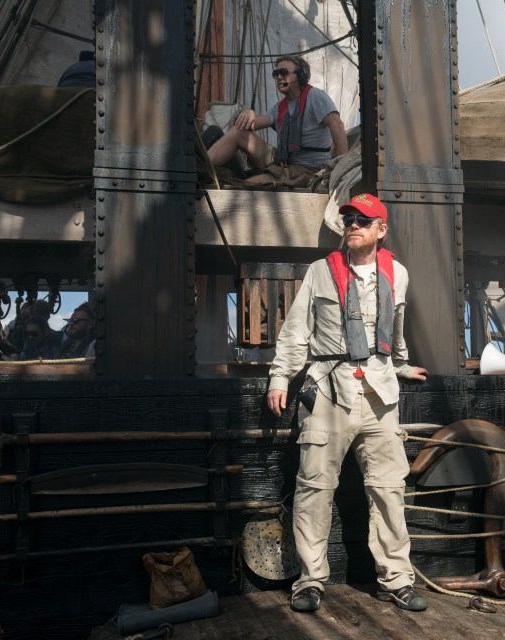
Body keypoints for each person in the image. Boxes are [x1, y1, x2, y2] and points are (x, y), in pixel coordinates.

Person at [266, 193, 429, 613]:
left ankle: (396, 579)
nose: (352, 224)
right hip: (329, 391)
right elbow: (296, 329)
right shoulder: (320, 271)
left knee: (389, 490)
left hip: (379, 394)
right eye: (348, 218)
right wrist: (280, 376)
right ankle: (310, 580)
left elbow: (395, 326)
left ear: (380, 229)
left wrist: (403, 366)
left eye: (362, 219)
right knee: (314, 490)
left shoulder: (399, 273)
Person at [207, 55, 348, 187]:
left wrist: (340, 168)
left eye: (284, 72)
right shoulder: (280, 107)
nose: (279, 77)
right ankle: (199, 168)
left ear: (301, 76)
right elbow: (253, 123)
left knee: (251, 183)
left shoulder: (314, 96)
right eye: (276, 74)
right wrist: (249, 113)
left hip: (310, 169)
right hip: (284, 162)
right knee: (238, 132)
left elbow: (337, 124)